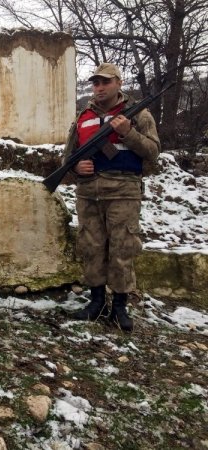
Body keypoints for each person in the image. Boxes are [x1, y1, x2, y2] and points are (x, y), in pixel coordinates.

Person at [64, 62, 160, 332]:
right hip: (89, 193)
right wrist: (75, 167)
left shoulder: (138, 113)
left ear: (118, 83)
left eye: (105, 82)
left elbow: (153, 151)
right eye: (95, 83)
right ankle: (96, 302)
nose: (99, 87)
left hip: (123, 192)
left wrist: (128, 133)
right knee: (91, 246)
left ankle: (119, 307)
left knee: (122, 248)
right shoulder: (82, 117)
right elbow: (68, 156)